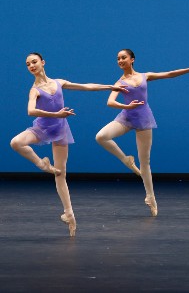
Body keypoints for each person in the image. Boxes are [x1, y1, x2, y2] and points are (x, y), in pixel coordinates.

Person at [10, 52, 129, 237]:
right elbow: (31, 110)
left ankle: (69, 214)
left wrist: (109, 87)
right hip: (42, 127)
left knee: (60, 174)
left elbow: (85, 87)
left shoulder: (58, 82)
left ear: (43, 62)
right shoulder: (34, 89)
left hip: (60, 130)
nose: (31, 66)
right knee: (16, 142)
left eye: (34, 62)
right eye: (27, 64)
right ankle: (42, 164)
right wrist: (57, 114)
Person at [95, 49, 189, 217]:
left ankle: (150, 197)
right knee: (101, 136)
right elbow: (110, 102)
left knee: (145, 161)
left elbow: (169, 74)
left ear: (132, 59)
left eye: (123, 57)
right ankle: (126, 160)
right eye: (118, 59)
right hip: (126, 117)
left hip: (143, 118)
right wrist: (126, 107)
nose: (120, 60)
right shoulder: (119, 82)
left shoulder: (144, 76)